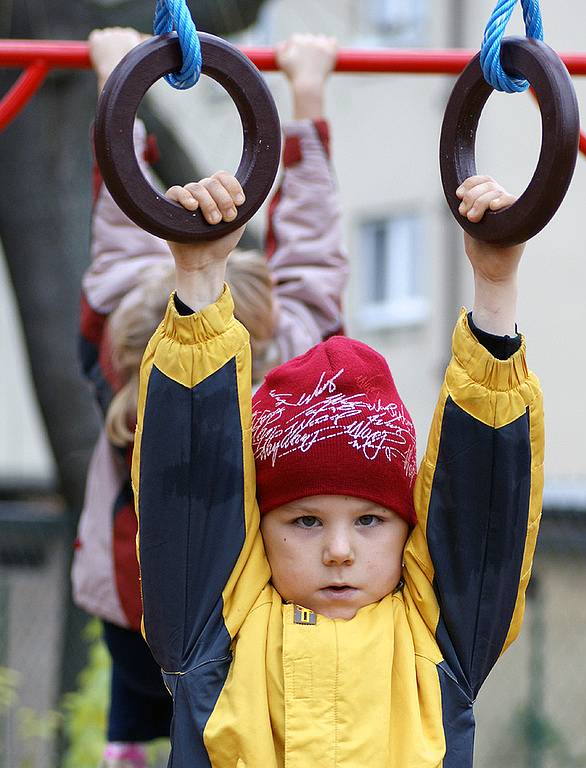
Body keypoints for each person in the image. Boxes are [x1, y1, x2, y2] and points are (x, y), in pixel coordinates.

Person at [132, 168, 544, 766]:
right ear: (257, 527)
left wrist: (496, 284)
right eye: (304, 521)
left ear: (411, 529)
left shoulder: (439, 638)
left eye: (371, 520)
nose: (339, 551)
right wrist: (197, 274)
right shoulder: (216, 629)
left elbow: (485, 498)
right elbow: (190, 473)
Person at [71, 28, 347, 768]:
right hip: (244, 625)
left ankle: (129, 747)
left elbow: (123, 232)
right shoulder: (289, 377)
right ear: (265, 331)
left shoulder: (120, 365)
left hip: (135, 623)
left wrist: (117, 86)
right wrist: (307, 95)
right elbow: (313, 256)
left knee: (141, 704)